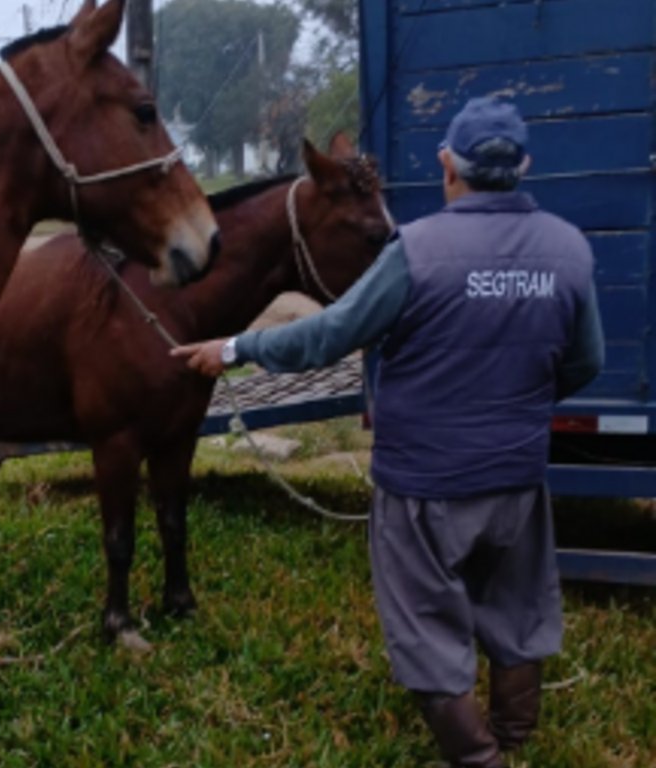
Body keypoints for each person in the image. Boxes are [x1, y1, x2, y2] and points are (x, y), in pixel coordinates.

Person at [171, 96, 604, 768]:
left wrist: (235, 349)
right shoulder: (569, 249)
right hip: (518, 475)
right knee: (517, 610)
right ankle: (515, 735)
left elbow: (332, 334)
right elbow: (585, 361)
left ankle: (480, 758)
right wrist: (513, 402)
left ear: (446, 166)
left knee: (427, 629)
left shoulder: (418, 251)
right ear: (523, 165)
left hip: (424, 484)